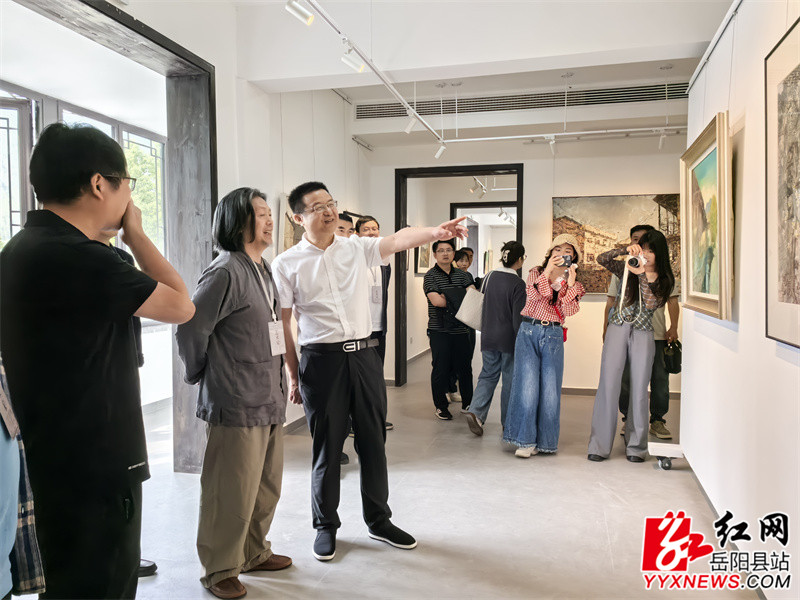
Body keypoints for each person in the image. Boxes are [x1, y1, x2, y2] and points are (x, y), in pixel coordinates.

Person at [0, 123, 195, 599]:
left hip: (46, 455)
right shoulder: (81, 258)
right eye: (127, 182)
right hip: (97, 464)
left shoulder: (20, 249)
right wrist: (137, 235)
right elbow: (181, 305)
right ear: (98, 184)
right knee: (103, 584)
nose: (130, 196)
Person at [272, 181, 466, 562]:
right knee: (327, 448)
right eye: (318, 207)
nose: (329, 212)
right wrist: (292, 375)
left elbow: (398, 239)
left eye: (331, 204)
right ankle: (325, 526)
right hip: (321, 361)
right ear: (298, 218)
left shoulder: (357, 248)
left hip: (364, 357)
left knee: (373, 443)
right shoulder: (286, 263)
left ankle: (379, 520)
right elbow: (282, 324)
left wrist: (435, 233)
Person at [176, 188, 291, 600]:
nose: (270, 220)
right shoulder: (224, 271)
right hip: (237, 398)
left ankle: (254, 552)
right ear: (236, 220)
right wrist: (200, 372)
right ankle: (220, 567)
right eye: (260, 213)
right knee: (230, 491)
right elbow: (191, 328)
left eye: (269, 213)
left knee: (265, 486)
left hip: (269, 395)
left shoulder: (262, 268)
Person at [588, 229, 674, 463]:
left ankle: (636, 446)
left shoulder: (665, 278)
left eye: (650, 250)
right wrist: (624, 250)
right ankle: (599, 445)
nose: (645, 254)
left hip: (644, 333)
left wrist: (642, 274)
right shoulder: (628, 267)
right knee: (608, 384)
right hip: (618, 327)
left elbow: (651, 303)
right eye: (643, 248)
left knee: (639, 388)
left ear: (659, 253)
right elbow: (602, 258)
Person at [503, 234, 585, 458]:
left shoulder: (575, 284)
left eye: (567, 251)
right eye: (557, 249)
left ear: (574, 257)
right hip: (529, 330)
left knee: (550, 390)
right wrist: (548, 271)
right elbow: (534, 296)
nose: (561, 254)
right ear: (550, 252)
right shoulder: (535, 272)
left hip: (554, 334)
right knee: (527, 387)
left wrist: (570, 284)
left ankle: (546, 442)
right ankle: (525, 440)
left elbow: (569, 311)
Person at [603, 225, 680, 440]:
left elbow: (669, 302)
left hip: (655, 333)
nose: (641, 249)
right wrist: (606, 329)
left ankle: (657, 420)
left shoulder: (664, 276)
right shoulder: (626, 268)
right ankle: (628, 419)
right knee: (626, 380)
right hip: (625, 333)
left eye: (647, 246)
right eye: (636, 241)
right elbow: (611, 301)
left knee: (659, 380)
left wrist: (673, 327)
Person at [464, 241, 526, 436]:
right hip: (508, 338)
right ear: (520, 259)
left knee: (488, 374)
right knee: (509, 379)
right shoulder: (518, 284)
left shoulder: (489, 276)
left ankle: (476, 412)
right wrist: (522, 342)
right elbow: (517, 318)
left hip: (488, 335)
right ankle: (508, 423)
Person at [424, 239, 476, 420]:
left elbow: (472, 298)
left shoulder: (463, 275)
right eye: (441, 250)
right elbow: (436, 301)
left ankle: (468, 403)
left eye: (448, 250)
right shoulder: (430, 276)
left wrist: (448, 295)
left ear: (454, 253)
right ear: (435, 254)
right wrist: (460, 295)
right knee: (440, 368)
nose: (445, 253)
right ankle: (441, 407)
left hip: (461, 328)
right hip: (439, 330)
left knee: (465, 368)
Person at [355, 215, 393, 431]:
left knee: (377, 375)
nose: (372, 232)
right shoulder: (353, 260)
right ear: (357, 234)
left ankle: (375, 418)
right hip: (359, 329)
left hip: (379, 328)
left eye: (375, 229)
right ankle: (355, 422)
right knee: (359, 378)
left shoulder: (384, 262)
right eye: (366, 229)